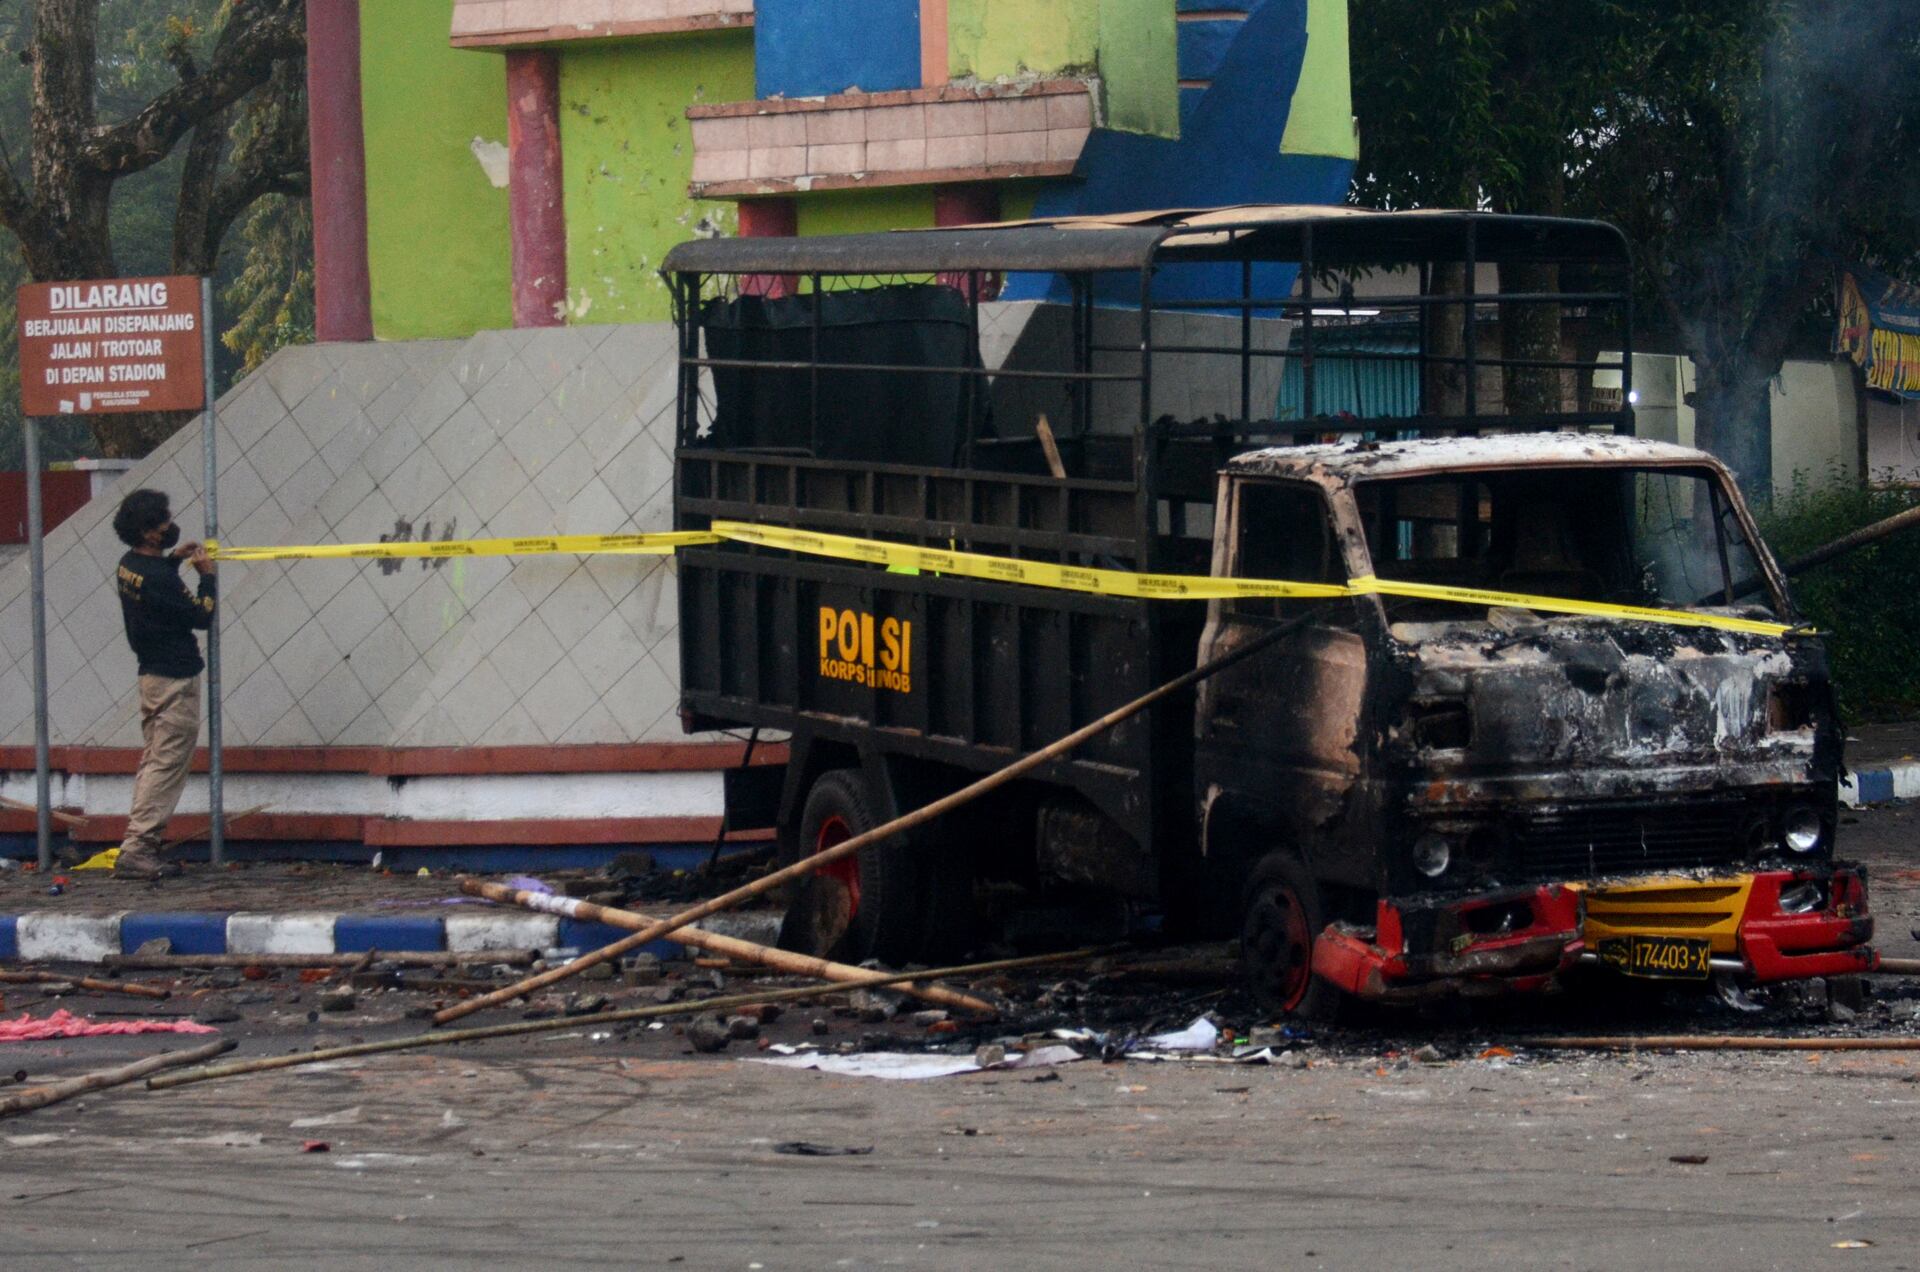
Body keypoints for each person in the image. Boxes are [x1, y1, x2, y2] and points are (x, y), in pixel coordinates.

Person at [109, 489, 215, 880]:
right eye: (164, 523)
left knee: (154, 760)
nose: (170, 527)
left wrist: (174, 561)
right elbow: (201, 615)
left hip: (151, 675)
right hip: (174, 681)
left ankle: (138, 843)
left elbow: (157, 591)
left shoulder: (130, 564)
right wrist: (207, 578)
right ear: (148, 531)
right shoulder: (156, 578)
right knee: (166, 765)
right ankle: (138, 848)